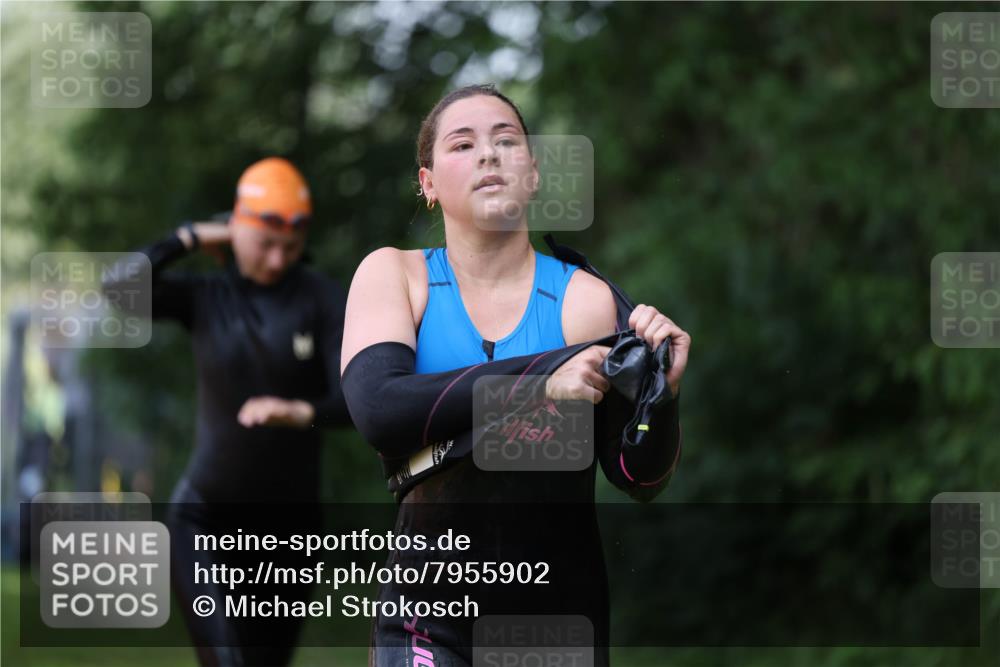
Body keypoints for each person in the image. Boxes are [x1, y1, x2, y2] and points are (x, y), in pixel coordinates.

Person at [340, 85, 691, 667]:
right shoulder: (396, 276)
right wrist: (539, 383)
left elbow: (637, 476)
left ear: (532, 174)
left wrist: (664, 397)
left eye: (506, 141)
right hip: (426, 616)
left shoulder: (583, 300)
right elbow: (380, 410)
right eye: (462, 144)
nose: (488, 153)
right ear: (428, 183)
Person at [106, 157, 353, 666]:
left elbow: (355, 401)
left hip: (291, 531)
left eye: (291, 246)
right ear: (236, 229)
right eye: (265, 243)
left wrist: (298, 410)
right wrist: (191, 237)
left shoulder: (323, 300)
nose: (278, 258)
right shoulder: (207, 296)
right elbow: (117, 289)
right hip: (203, 520)